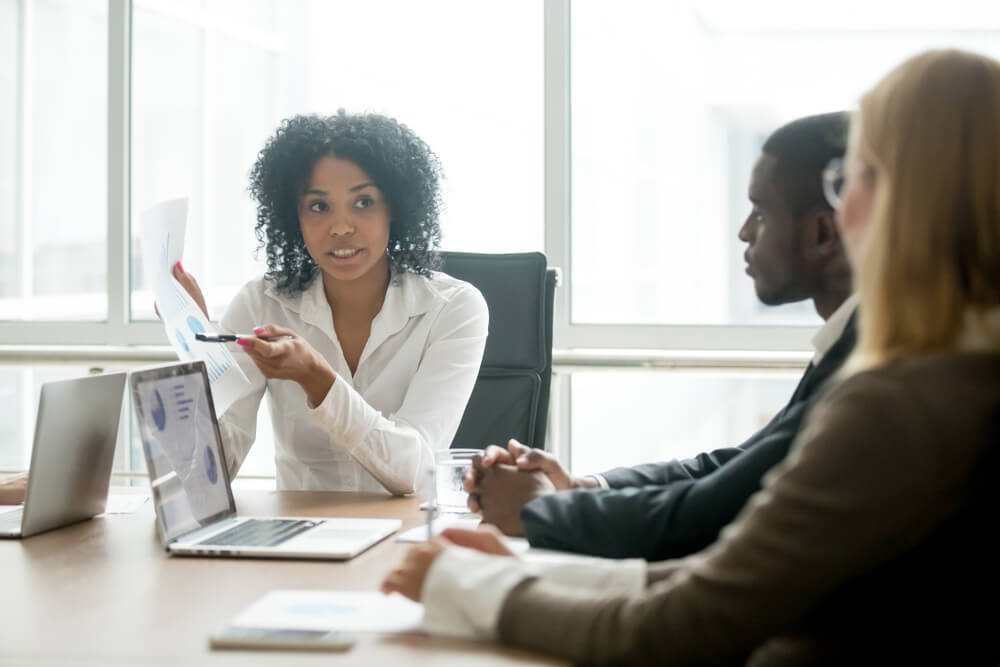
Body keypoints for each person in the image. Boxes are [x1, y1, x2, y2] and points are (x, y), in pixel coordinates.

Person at [383, 49, 1000, 663]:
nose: (844, 209)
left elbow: (683, 627)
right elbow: (745, 573)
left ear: (903, 200)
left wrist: (464, 583)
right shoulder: (954, 374)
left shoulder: (901, 400)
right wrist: (536, 575)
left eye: (851, 179)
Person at [466, 112, 856, 560]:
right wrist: (584, 487)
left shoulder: (867, 365)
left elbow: (710, 514)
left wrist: (544, 510)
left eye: (761, 213)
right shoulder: (847, 341)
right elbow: (736, 468)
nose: (744, 231)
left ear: (823, 232)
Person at [171, 111, 488, 495]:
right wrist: (199, 349)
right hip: (299, 538)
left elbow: (415, 470)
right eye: (319, 207)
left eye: (364, 202)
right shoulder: (260, 304)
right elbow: (212, 472)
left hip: (407, 538)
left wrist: (317, 378)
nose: (341, 227)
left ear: (395, 208)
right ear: (295, 217)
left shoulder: (453, 309)